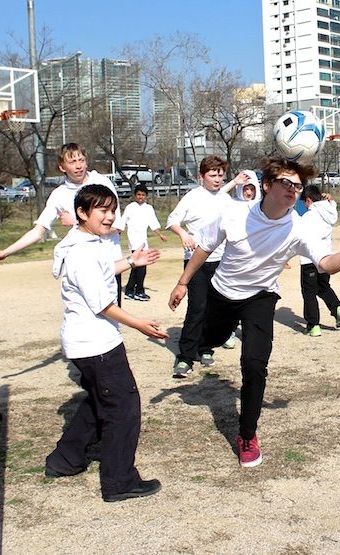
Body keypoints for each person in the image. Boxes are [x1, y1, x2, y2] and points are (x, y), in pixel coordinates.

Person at [168, 157, 340, 468]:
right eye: (286, 183)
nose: (293, 190)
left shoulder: (298, 228)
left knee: (254, 365)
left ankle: (247, 435)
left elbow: (326, 264)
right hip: (223, 293)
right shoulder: (233, 213)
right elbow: (203, 247)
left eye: (298, 186)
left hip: (261, 297)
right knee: (211, 339)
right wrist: (182, 282)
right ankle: (202, 344)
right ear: (266, 186)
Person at [44, 184, 167, 501]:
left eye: (113, 209)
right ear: (82, 213)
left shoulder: (89, 242)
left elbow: (101, 273)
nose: (110, 216)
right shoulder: (81, 251)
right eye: (102, 210)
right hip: (95, 343)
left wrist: (130, 261)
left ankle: (65, 459)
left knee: (101, 400)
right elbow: (101, 303)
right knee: (123, 408)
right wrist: (140, 324)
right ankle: (119, 481)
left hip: (91, 341)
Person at [0, 143, 124, 300]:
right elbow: (38, 232)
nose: (78, 166)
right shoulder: (59, 195)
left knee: (110, 320)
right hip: (80, 264)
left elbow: (117, 226)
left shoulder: (102, 183)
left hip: (109, 263)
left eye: (81, 160)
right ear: (62, 167)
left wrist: (76, 222)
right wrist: (5, 252)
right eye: (72, 162)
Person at [165, 156, 249, 377]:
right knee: (197, 308)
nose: (217, 179)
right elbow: (172, 220)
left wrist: (237, 182)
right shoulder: (192, 197)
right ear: (201, 176)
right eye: (212, 175)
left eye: (221, 174)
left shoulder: (225, 198)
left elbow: (227, 203)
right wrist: (183, 234)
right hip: (196, 262)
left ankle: (205, 348)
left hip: (222, 262)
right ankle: (185, 356)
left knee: (215, 309)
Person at [297, 185, 340, 336]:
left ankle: (313, 326)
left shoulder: (308, 217)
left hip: (309, 260)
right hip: (327, 258)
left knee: (309, 293)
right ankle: (338, 308)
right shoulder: (329, 211)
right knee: (323, 287)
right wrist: (329, 200)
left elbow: (299, 237)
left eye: (304, 203)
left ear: (308, 200)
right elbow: (331, 204)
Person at [120, 184, 167, 301]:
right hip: (134, 240)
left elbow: (153, 223)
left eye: (143, 195)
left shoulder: (148, 208)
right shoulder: (130, 207)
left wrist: (160, 234)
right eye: (138, 195)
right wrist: (118, 233)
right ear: (135, 195)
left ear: (146, 196)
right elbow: (122, 221)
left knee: (139, 266)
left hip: (143, 240)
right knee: (139, 267)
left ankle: (134, 290)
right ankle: (135, 290)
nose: (141, 197)